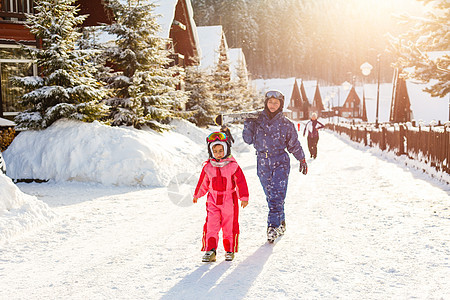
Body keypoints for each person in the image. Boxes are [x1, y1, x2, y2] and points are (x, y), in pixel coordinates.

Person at [242, 90, 307, 243]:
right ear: (266, 103)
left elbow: (293, 145)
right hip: (262, 163)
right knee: (270, 196)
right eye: (270, 102)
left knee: (276, 197)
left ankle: (272, 227)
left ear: (280, 105)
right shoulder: (256, 121)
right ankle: (281, 222)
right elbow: (247, 140)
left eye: (276, 103)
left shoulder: (286, 125)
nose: (272, 105)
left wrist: (302, 159)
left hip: (280, 162)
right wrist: (248, 124)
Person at [193, 131, 249, 262]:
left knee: (229, 225)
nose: (218, 153)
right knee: (211, 225)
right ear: (211, 152)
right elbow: (203, 183)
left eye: (221, 150)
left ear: (226, 149)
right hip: (213, 199)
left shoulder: (233, 166)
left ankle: (229, 249)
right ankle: (210, 250)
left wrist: (244, 197)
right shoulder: (208, 167)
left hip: (230, 199)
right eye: (215, 151)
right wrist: (197, 194)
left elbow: (240, 182)